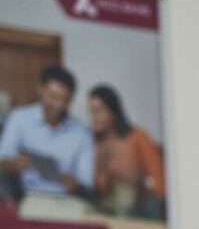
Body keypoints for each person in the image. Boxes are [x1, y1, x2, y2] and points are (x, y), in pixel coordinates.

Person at [0, 65, 95, 201]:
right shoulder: (19, 118)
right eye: (53, 96)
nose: (57, 105)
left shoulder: (82, 133)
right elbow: (2, 161)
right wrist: (12, 165)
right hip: (23, 197)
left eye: (64, 100)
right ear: (40, 90)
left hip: (65, 201)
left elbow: (86, 182)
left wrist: (74, 184)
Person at [85, 85, 165, 219]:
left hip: (139, 207)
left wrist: (139, 188)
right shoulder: (92, 142)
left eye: (99, 111)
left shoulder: (137, 137)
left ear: (113, 112)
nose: (94, 118)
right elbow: (96, 185)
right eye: (91, 112)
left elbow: (159, 184)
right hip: (106, 208)